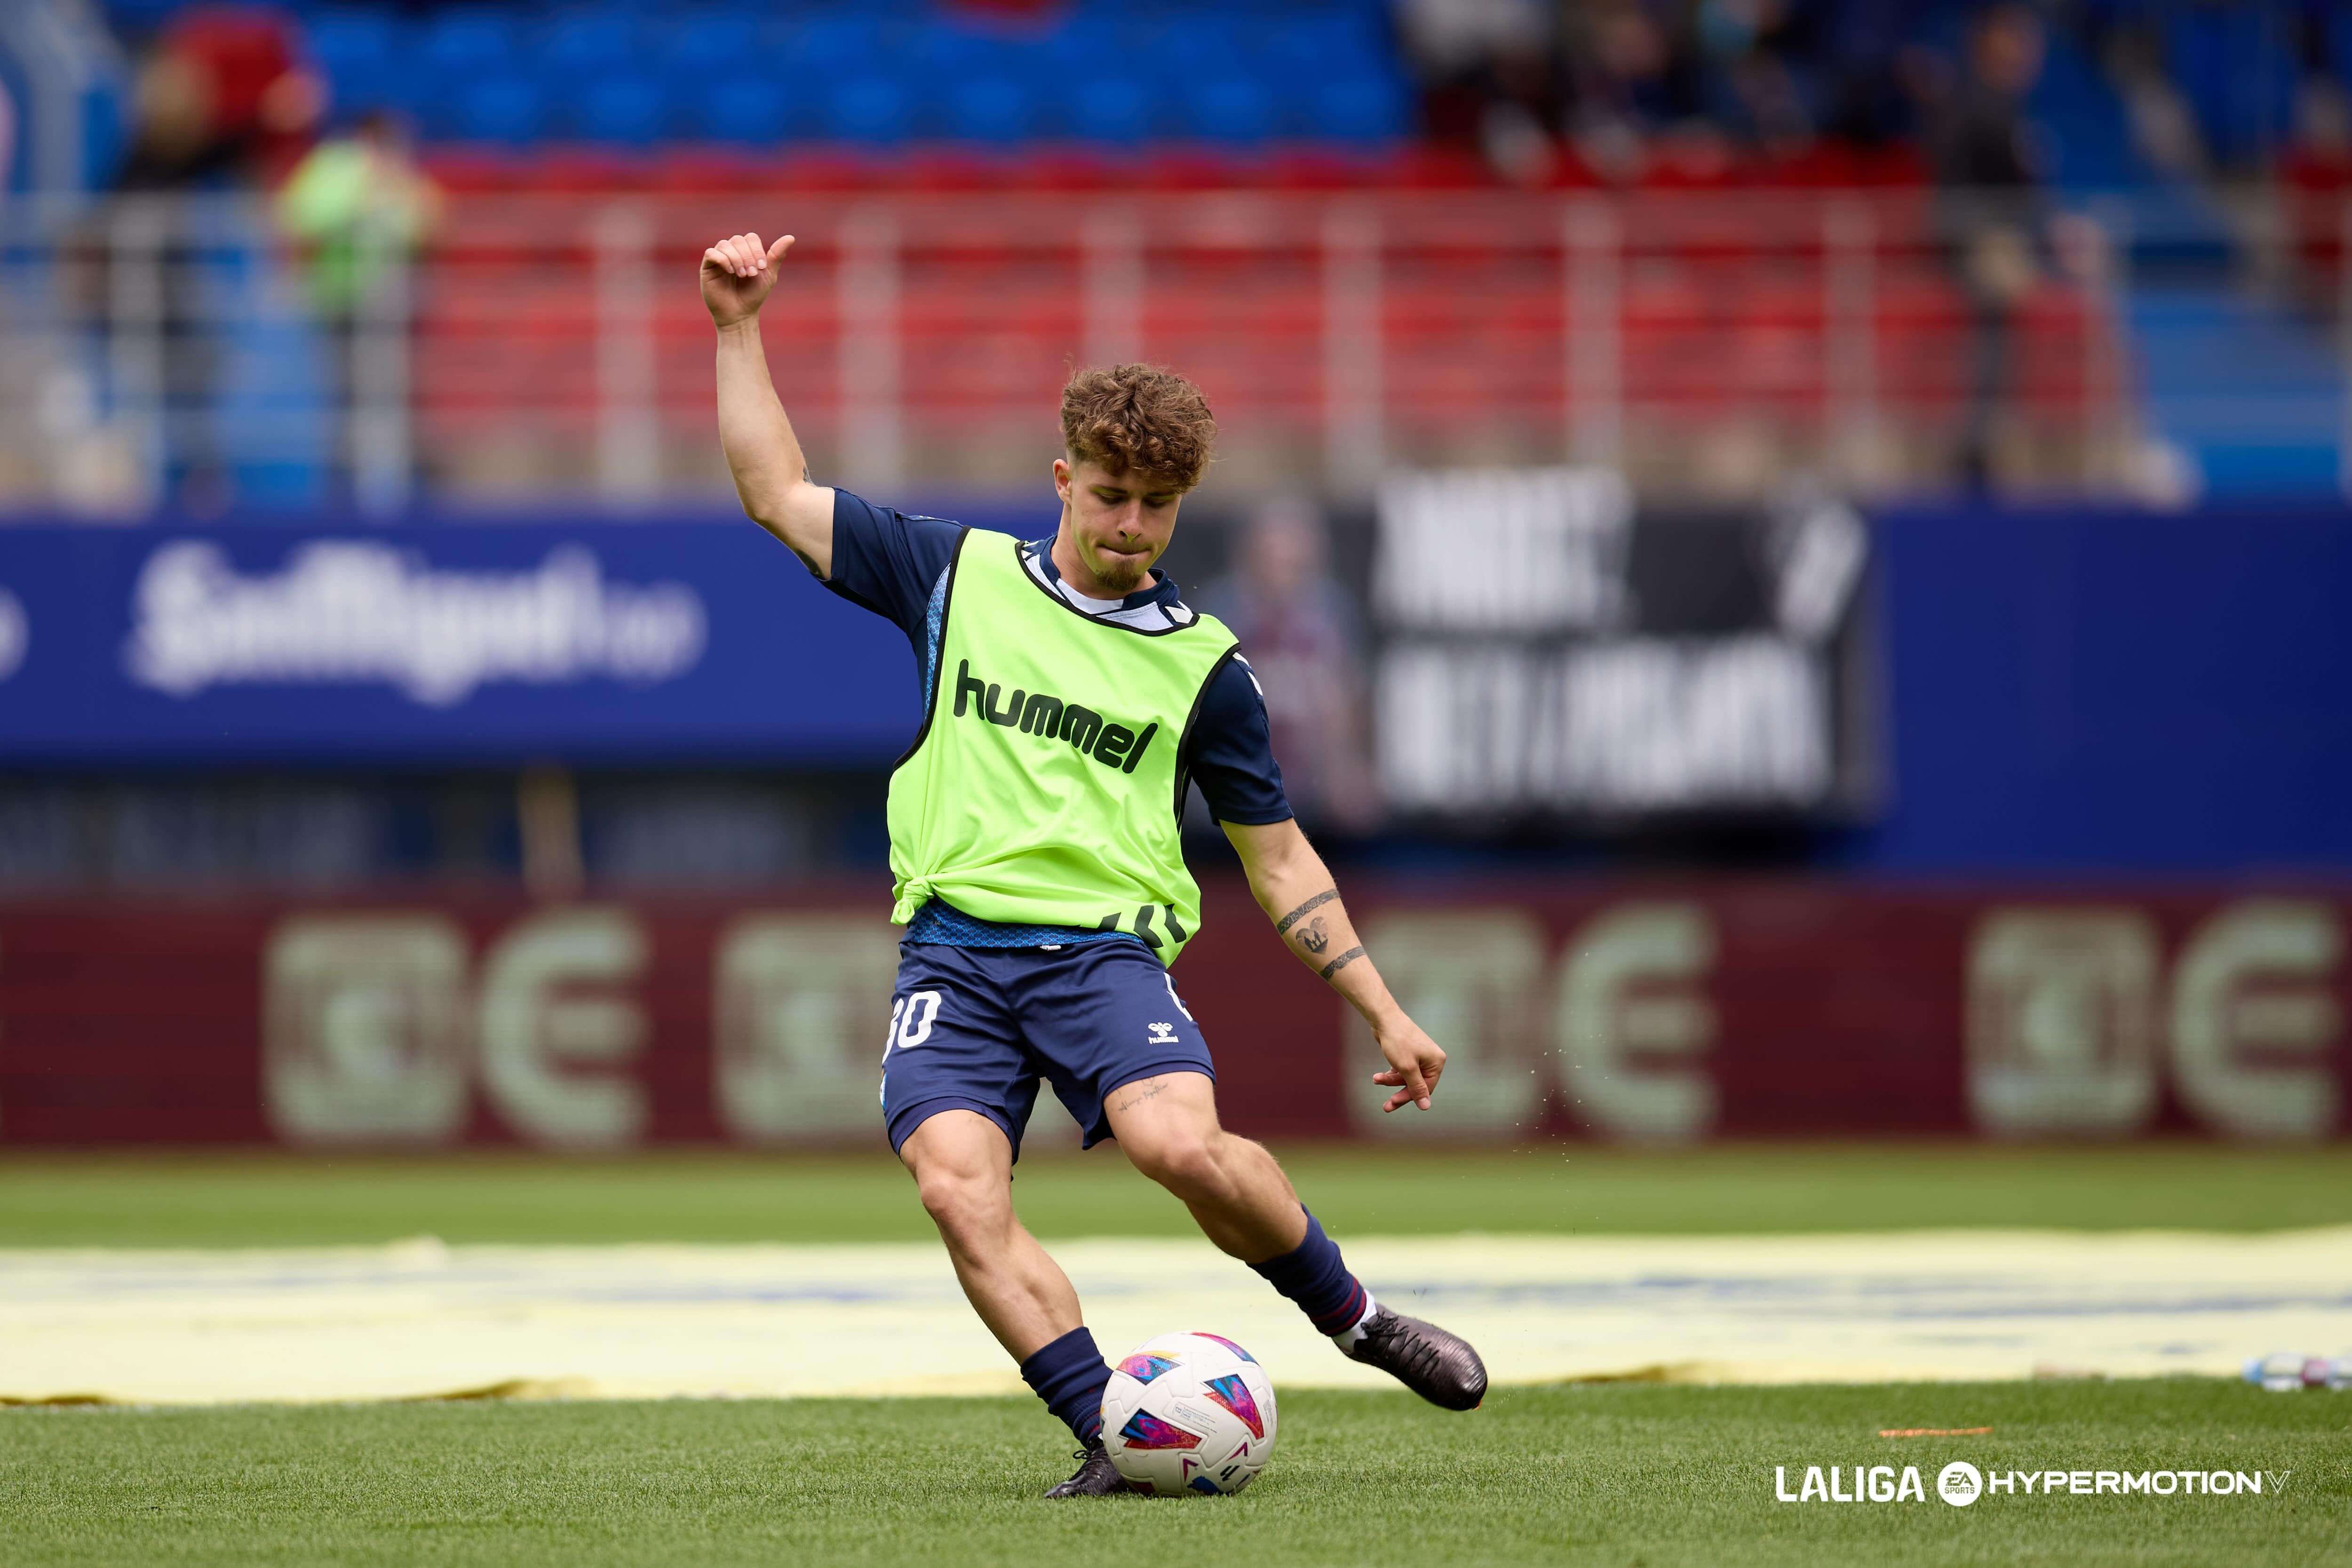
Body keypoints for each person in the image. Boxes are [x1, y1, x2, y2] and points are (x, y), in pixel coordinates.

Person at [699, 228, 1487, 1497]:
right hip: (954, 950)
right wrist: (738, 326)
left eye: (1157, 506)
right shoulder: (954, 576)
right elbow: (777, 493)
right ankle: (1111, 1437)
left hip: (1104, 958)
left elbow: (1280, 861)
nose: (1131, 526)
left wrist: (1383, 1009)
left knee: (1179, 1147)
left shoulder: (1207, 668)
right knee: (957, 1191)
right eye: (1109, 496)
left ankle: (1358, 1320)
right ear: (1063, 478)